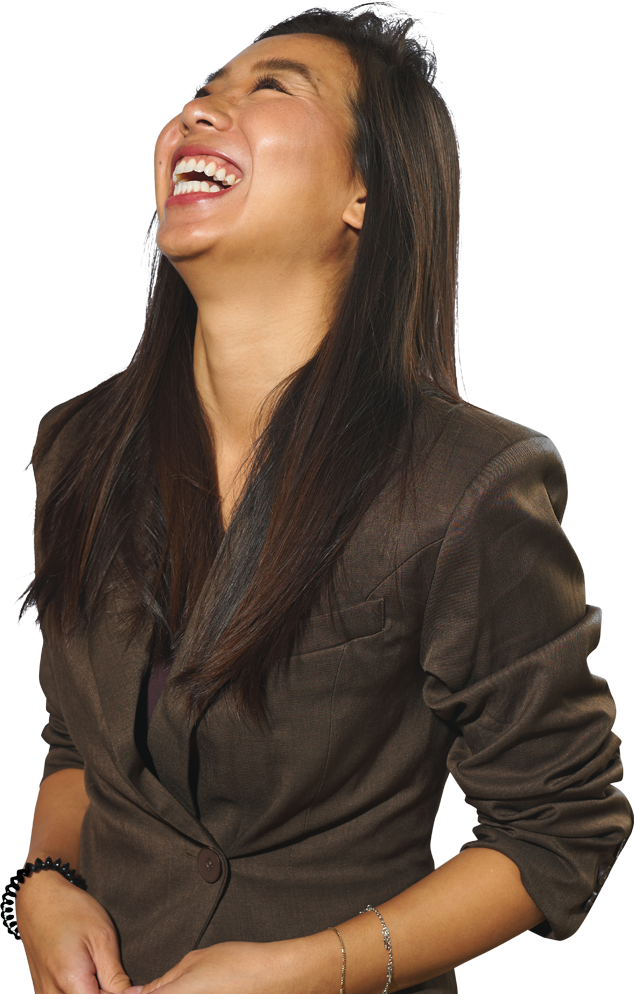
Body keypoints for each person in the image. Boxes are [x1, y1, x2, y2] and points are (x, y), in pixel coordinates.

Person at [7, 6, 632, 994]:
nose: (198, 112)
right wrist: (42, 884)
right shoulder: (79, 446)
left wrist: (312, 969)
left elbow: (559, 829)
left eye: (270, 87)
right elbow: (79, 742)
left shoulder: (464, 483)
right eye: (202, 93)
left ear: (362, 194)